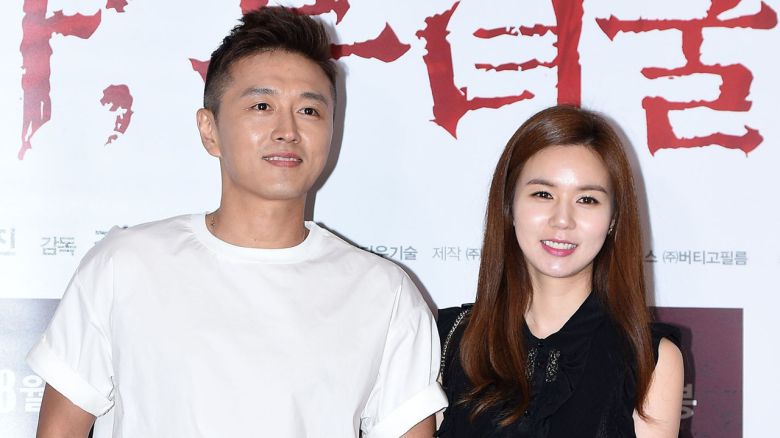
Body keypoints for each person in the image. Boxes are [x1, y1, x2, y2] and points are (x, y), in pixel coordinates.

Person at [27, 7, 446, 437]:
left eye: (309, 110)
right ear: (209, 130)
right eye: (262, 105)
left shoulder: (384, 293)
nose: (287, 130)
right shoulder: (125, 265)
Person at [436, 105, 683, 437]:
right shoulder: (447, 340)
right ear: (509, 205)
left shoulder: (649, 360)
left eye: (587, 200)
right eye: (543, 194)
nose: (562, 220)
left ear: (613, 219)